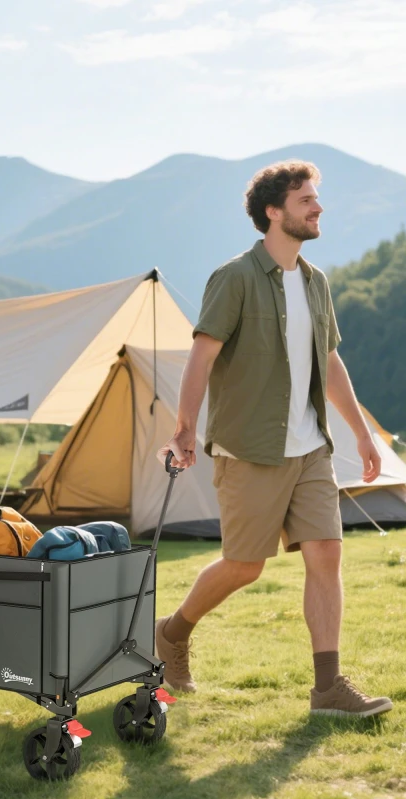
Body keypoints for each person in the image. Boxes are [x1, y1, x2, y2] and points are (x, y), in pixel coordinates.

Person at [156, 160, 393, 718]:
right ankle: (172, 632)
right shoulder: (235, 277)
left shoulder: (315, 282)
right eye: (306, 199)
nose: (317, 207)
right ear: (273, 211)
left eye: (316, 199)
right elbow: (203, 354)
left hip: (310, 448)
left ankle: (328, 689)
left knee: (327, 554)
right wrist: (185, 427)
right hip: (250, 449)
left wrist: (361, 435)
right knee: (244, 566)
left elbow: (329, 361)